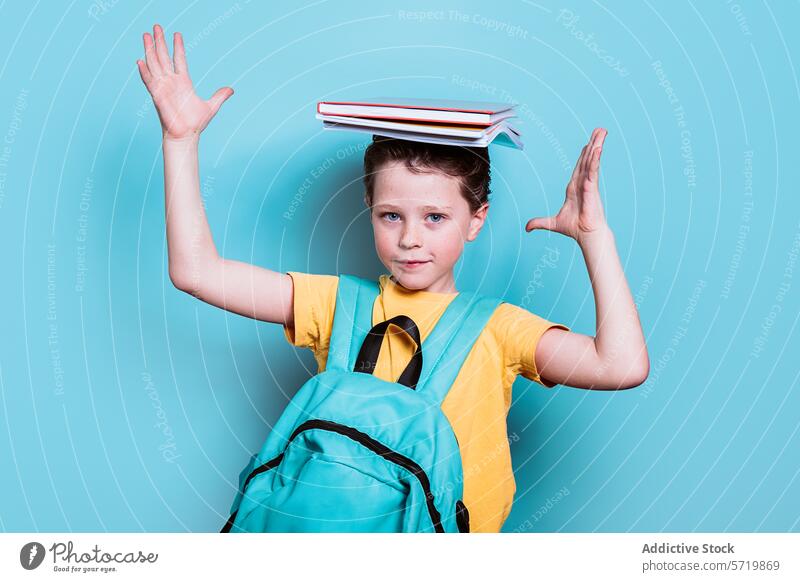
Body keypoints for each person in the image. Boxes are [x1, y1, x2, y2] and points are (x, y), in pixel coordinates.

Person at [137, 23, 650, 533]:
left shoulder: (499, 330)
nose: (409, 239)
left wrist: (593, 236)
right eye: (390, 216)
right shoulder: (336, 305)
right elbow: (196, 272)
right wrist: (180, 140)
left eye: (434, 217)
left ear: (476, 220)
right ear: (368, 209)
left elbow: (621, 366)